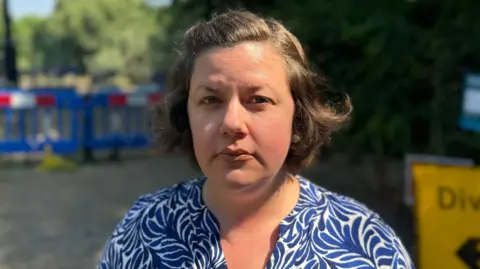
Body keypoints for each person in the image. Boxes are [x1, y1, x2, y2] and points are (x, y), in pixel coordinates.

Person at [97, 10, 415, 269]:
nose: (232, 123)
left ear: (298, 115)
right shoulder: (143, 228)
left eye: (258, 100)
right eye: (211, 101)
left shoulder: (366, 244)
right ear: (185, 115)